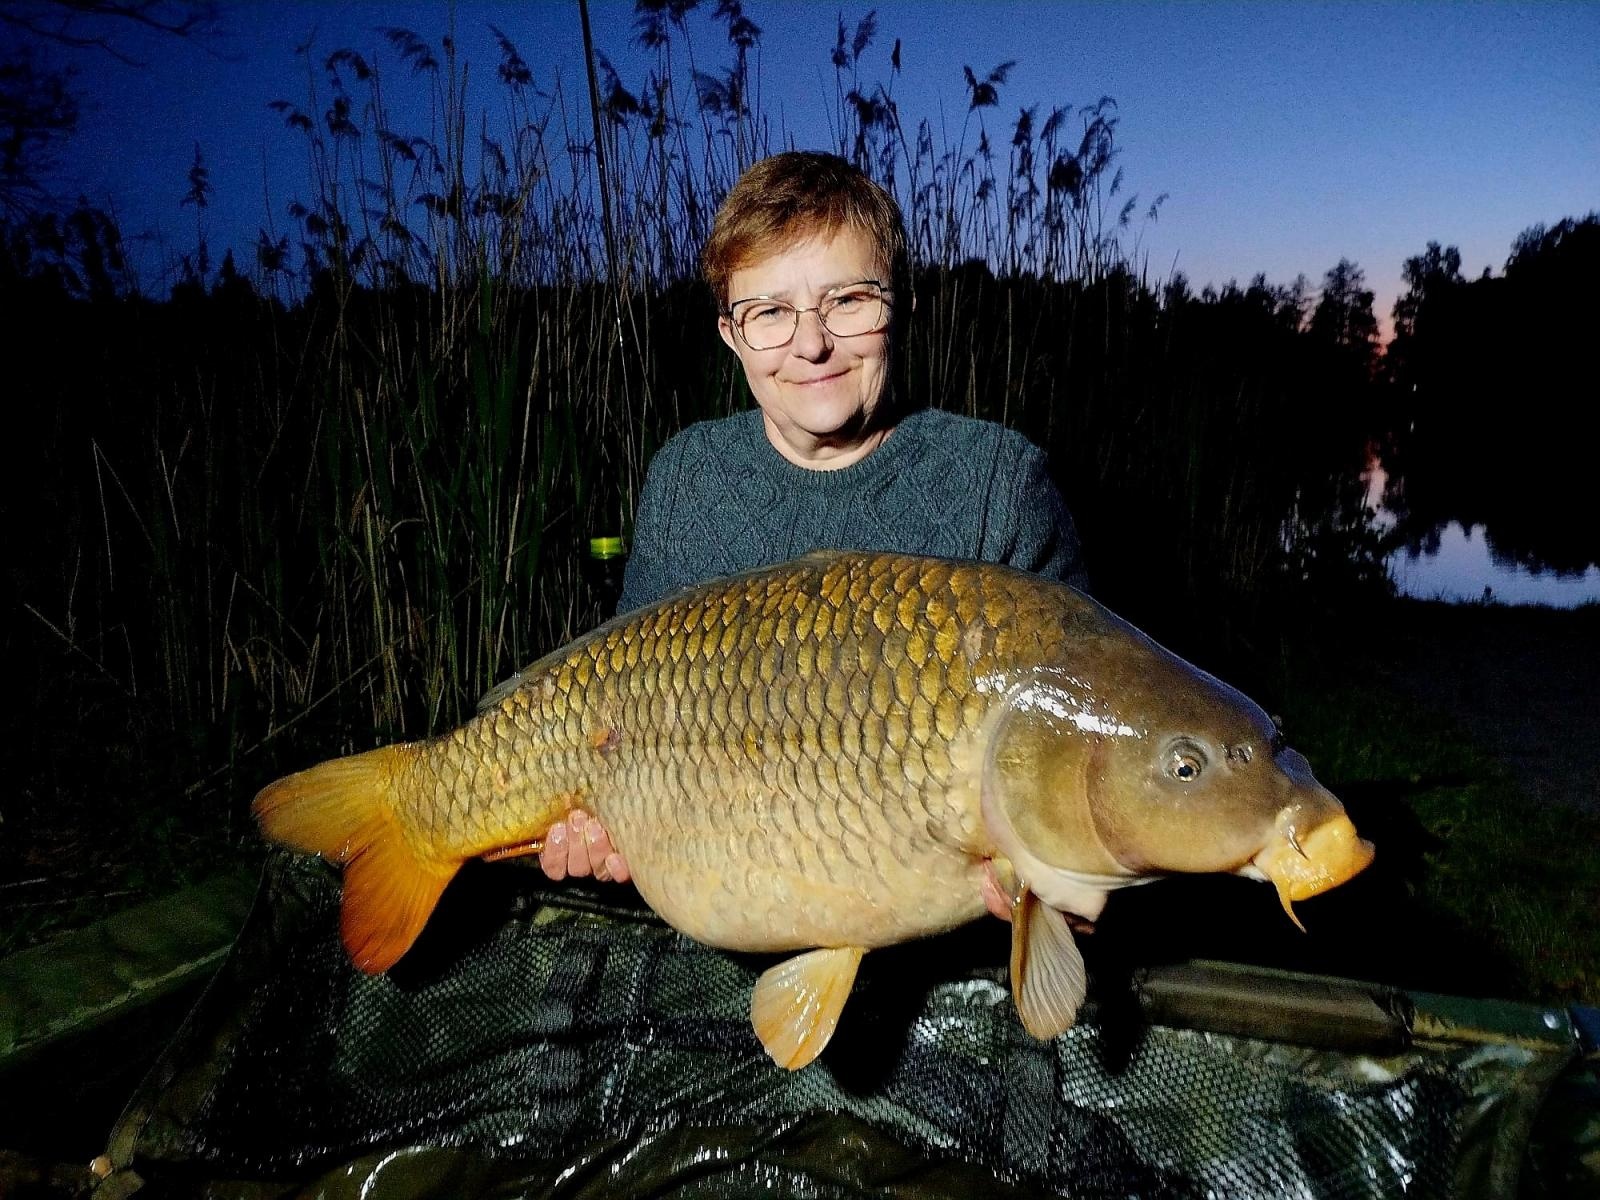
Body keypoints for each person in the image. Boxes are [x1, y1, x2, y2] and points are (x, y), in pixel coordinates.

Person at [537, 151, 1087, 922]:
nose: (812, 344)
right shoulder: (690, 477)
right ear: (730, 335)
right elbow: (616, 720)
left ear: (899, 304)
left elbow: (1081, 748)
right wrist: (604, 824)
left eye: (848, 301)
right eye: (769, 313)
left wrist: (1064, 882)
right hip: (730, 898)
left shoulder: (1000, 484)